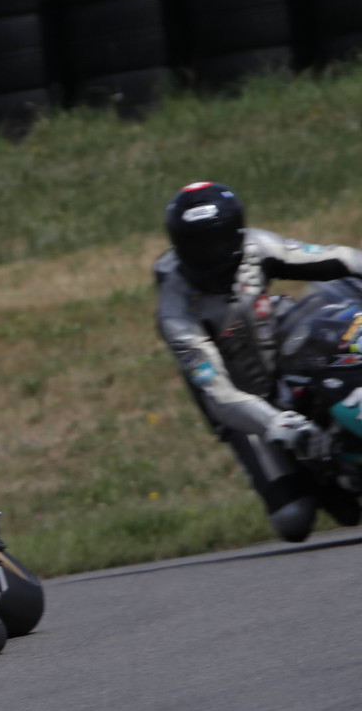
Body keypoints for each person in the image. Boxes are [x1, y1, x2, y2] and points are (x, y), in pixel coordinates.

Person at [155, 180, 362, 542]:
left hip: (282, 352)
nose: (209, 256)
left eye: (217, 243)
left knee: (340, 331)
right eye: (196, 247)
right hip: (243, 404)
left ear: (235, 233)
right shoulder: (176, 311)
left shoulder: (258, 247)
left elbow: (339, 258)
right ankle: (319, 477)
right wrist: (277, 424)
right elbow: (218, 395)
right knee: (293, 518)